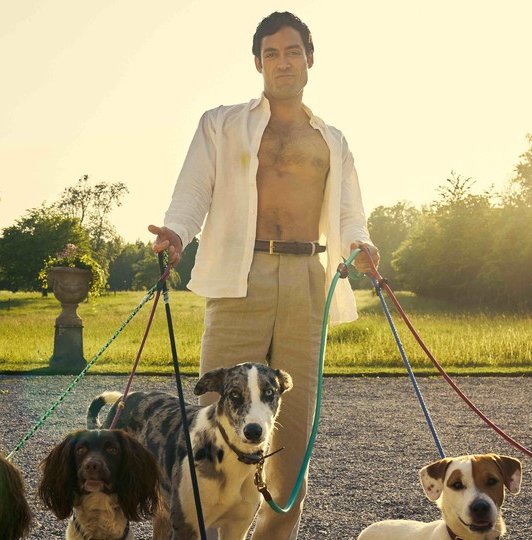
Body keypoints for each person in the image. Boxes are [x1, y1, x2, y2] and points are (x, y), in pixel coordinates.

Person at [148, 11, 379, 539]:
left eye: (293, 51)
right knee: (210, 421)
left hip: (306, 281)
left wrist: (361, 245)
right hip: (239, 276)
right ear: (257, 63)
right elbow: (192, 192)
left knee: (292, 436)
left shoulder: (333, 140)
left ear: (310, 59)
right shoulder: (221, 123)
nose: (283, 62)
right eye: (271, 53)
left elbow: (349, 214)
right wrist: (177, 234)